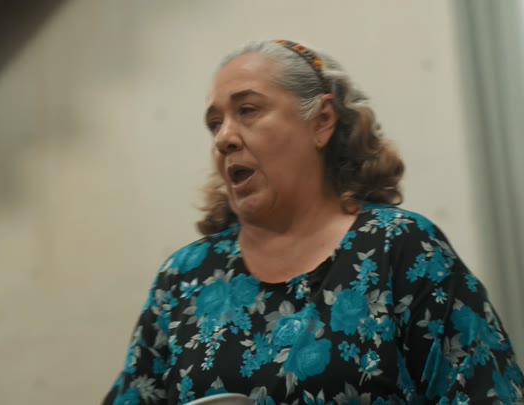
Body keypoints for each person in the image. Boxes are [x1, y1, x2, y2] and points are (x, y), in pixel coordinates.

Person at [103, 39, 523, 404]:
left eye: (247, 110)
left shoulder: (400, 248)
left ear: (321, 121)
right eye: (215, 124)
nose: (224, 137)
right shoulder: (185, 278)